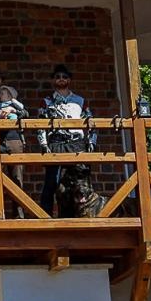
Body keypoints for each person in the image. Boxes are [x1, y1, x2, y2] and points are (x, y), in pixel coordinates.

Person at [39, 63, 90, 216]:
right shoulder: (47, 101)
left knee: (78, 181)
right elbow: (40, 123)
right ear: (53, 80)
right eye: (58, 77)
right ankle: (46, 216)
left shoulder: (80, 100)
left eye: (64, 77)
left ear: (70, 80)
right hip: (56, 141)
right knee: (52, 182)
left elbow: (90, 121)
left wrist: (91, 142)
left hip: (76, 142)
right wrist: (43, 143)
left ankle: (76, 215)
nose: (61, 79)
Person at [0, 83, 30, 200]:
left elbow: (26, 114)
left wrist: (13, 110)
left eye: (3, 93)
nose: (1, 95)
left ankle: (18, 216)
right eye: (0, 93)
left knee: (17, 178)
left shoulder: (15, 105)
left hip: (14, 140)